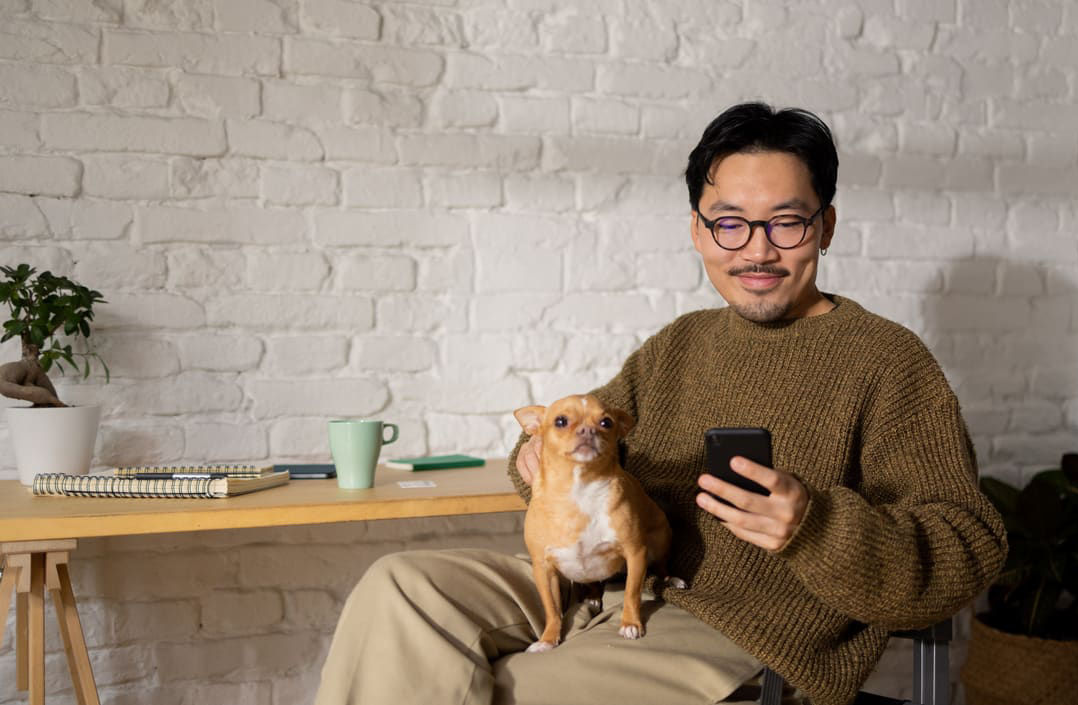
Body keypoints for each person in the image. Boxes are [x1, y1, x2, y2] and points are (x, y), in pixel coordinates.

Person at [314, 103, 1007, 705]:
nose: (757, 249)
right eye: (730, 224)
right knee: (398, 588)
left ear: (824, 227)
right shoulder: (679, 343)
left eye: (786, 224)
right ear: (698, 231)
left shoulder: (887, 361)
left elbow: (967, 549)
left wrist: (814, 524)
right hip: (606, 583)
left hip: (740, 625)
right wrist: (538, 457)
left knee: (510, 688)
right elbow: (584, 436)